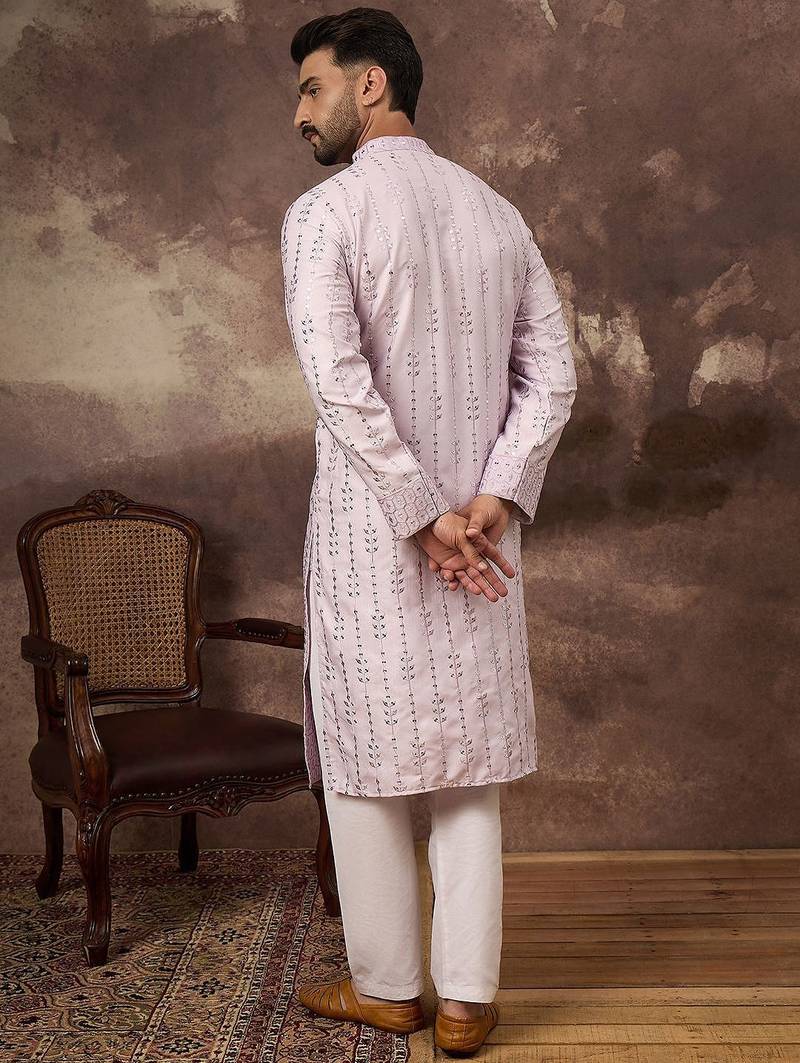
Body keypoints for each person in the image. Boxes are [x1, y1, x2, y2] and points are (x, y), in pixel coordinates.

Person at [280, 7, 577, 1053]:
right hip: (481, 551)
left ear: (371, 84)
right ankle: (465, 1001)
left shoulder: (326, 212)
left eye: (312, 88)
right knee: (466, 763)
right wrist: (493, 496)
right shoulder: (496, 213)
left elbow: (337, 384)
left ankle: (391, 989)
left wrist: (420, 514)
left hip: (377, 539)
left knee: (366, 761)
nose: (300, 114)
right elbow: (552, 378)